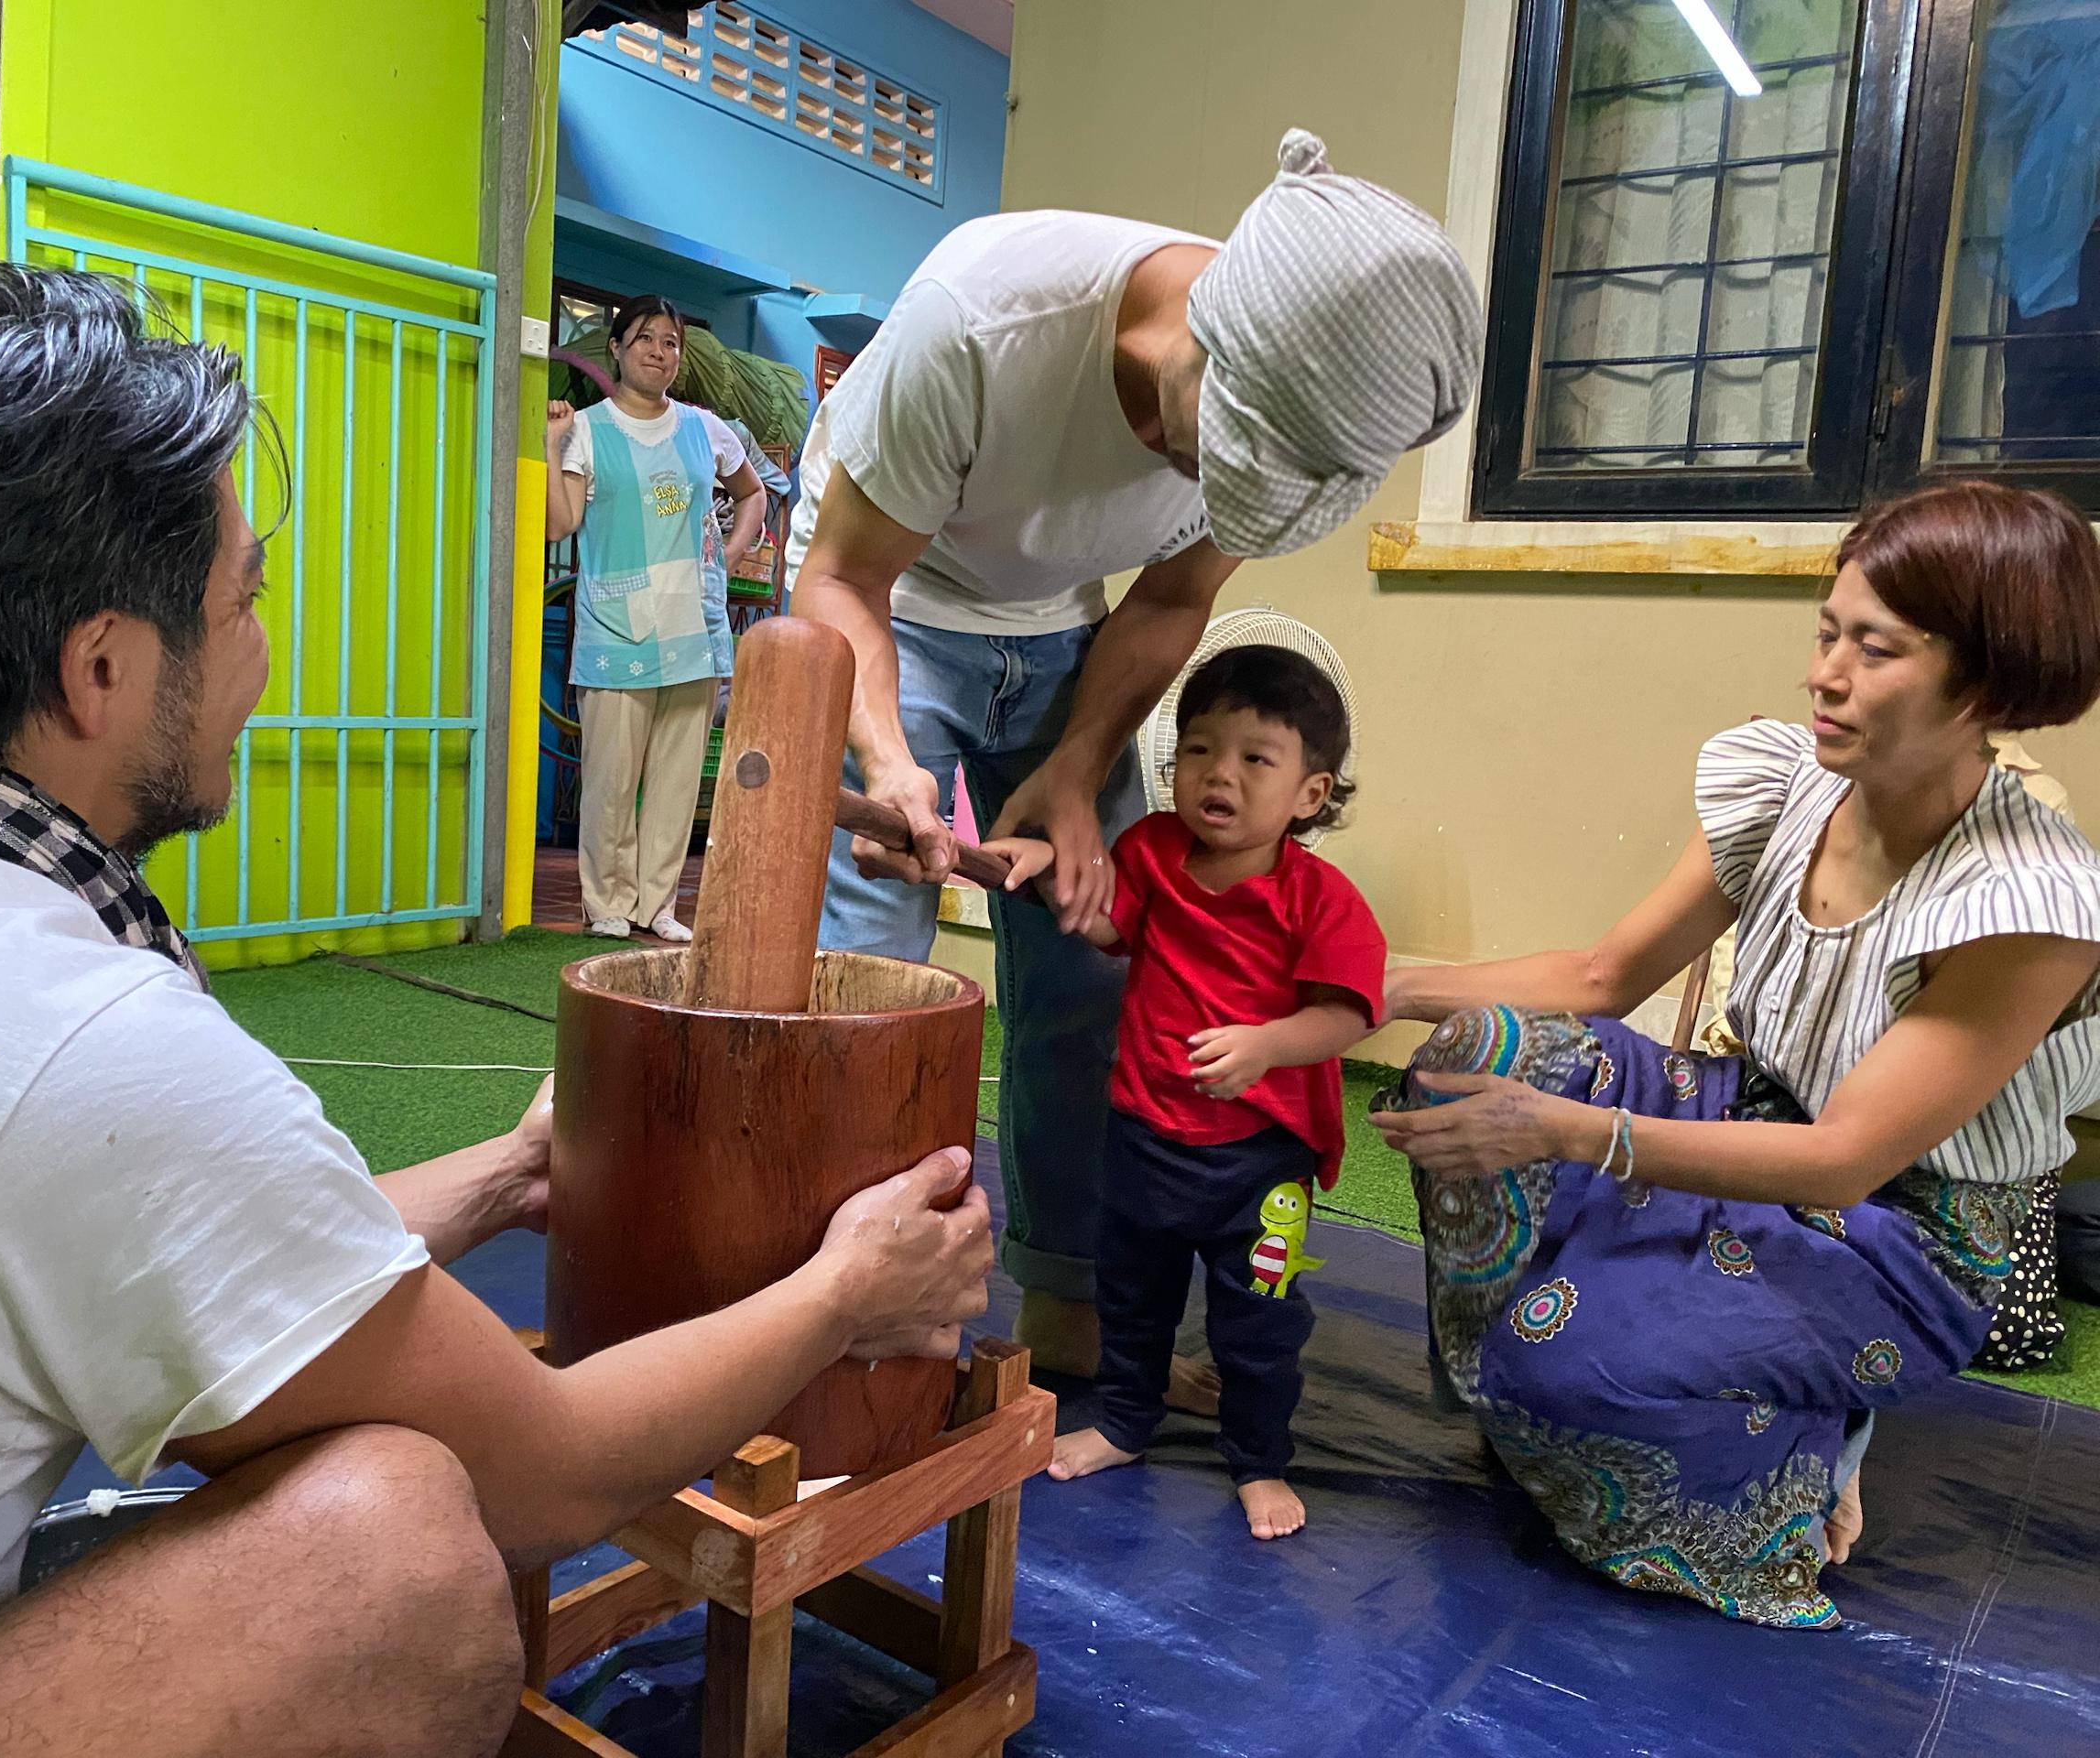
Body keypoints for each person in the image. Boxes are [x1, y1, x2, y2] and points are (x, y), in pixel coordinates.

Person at [0, 251, 990, 1758]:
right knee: (390, 1550)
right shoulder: (65, 1039)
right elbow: (544, 1474)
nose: (259, 653)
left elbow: (224, 1267)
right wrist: (848, 1292)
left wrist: (512, 1173)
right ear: (100, 667)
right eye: (243, 602)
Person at [788, 127, 1481, 1394]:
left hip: (1062, 621)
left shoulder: (1301, 408)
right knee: (874, 977)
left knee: (1090, 970)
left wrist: (1074, 768)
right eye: (1214, 452)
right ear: (1208, 334)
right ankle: (833, 1319)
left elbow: (1167, 601)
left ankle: (1070, 1304)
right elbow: (844, 578)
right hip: (891, 596)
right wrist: (888, 760)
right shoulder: (981, 319)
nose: (1203, 478)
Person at [1369, 482, 2100, 1629]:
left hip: (1897, 1231)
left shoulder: (2025, 901)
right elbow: (1604, 975)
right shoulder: (1793, 784)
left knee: (1562, 1363)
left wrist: (1566, 1131)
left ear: (1988, 687)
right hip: (1743, 1108)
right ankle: (1560, 1387)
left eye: (1875, 649)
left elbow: (1844, 1161)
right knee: (1474, 1057)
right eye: (1826, 633)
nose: (1824, 674)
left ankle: (1782, 1485)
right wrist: (1375, 990)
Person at [986, 646, 1386, 1539]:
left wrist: (1266, 1046)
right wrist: (1045, 863)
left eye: (1254, 758)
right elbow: (1105, 924)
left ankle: (1258, 1460)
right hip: (1144, 1136)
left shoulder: (1320, 900)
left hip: (1262, 1164)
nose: (1219, 774)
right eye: (1198, 749)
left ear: (1311, 793)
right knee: (1132, 1297)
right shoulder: (1153, 851)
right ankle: (1126, 1422)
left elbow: (1347, 1014)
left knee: (1260, 1321)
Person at [544, 295, 767, 942]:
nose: (658, 351)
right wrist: (553, 445)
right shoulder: (587, 429)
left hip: (694, 629)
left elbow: (753, 492)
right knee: (611, 781)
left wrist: (730, 555)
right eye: (644, 338)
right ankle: (608, 903)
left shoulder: (706, 428)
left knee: (675, 780)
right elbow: (561, 523)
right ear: (616, 348)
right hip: (616, 630)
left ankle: (656, 905)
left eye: (670, 342)